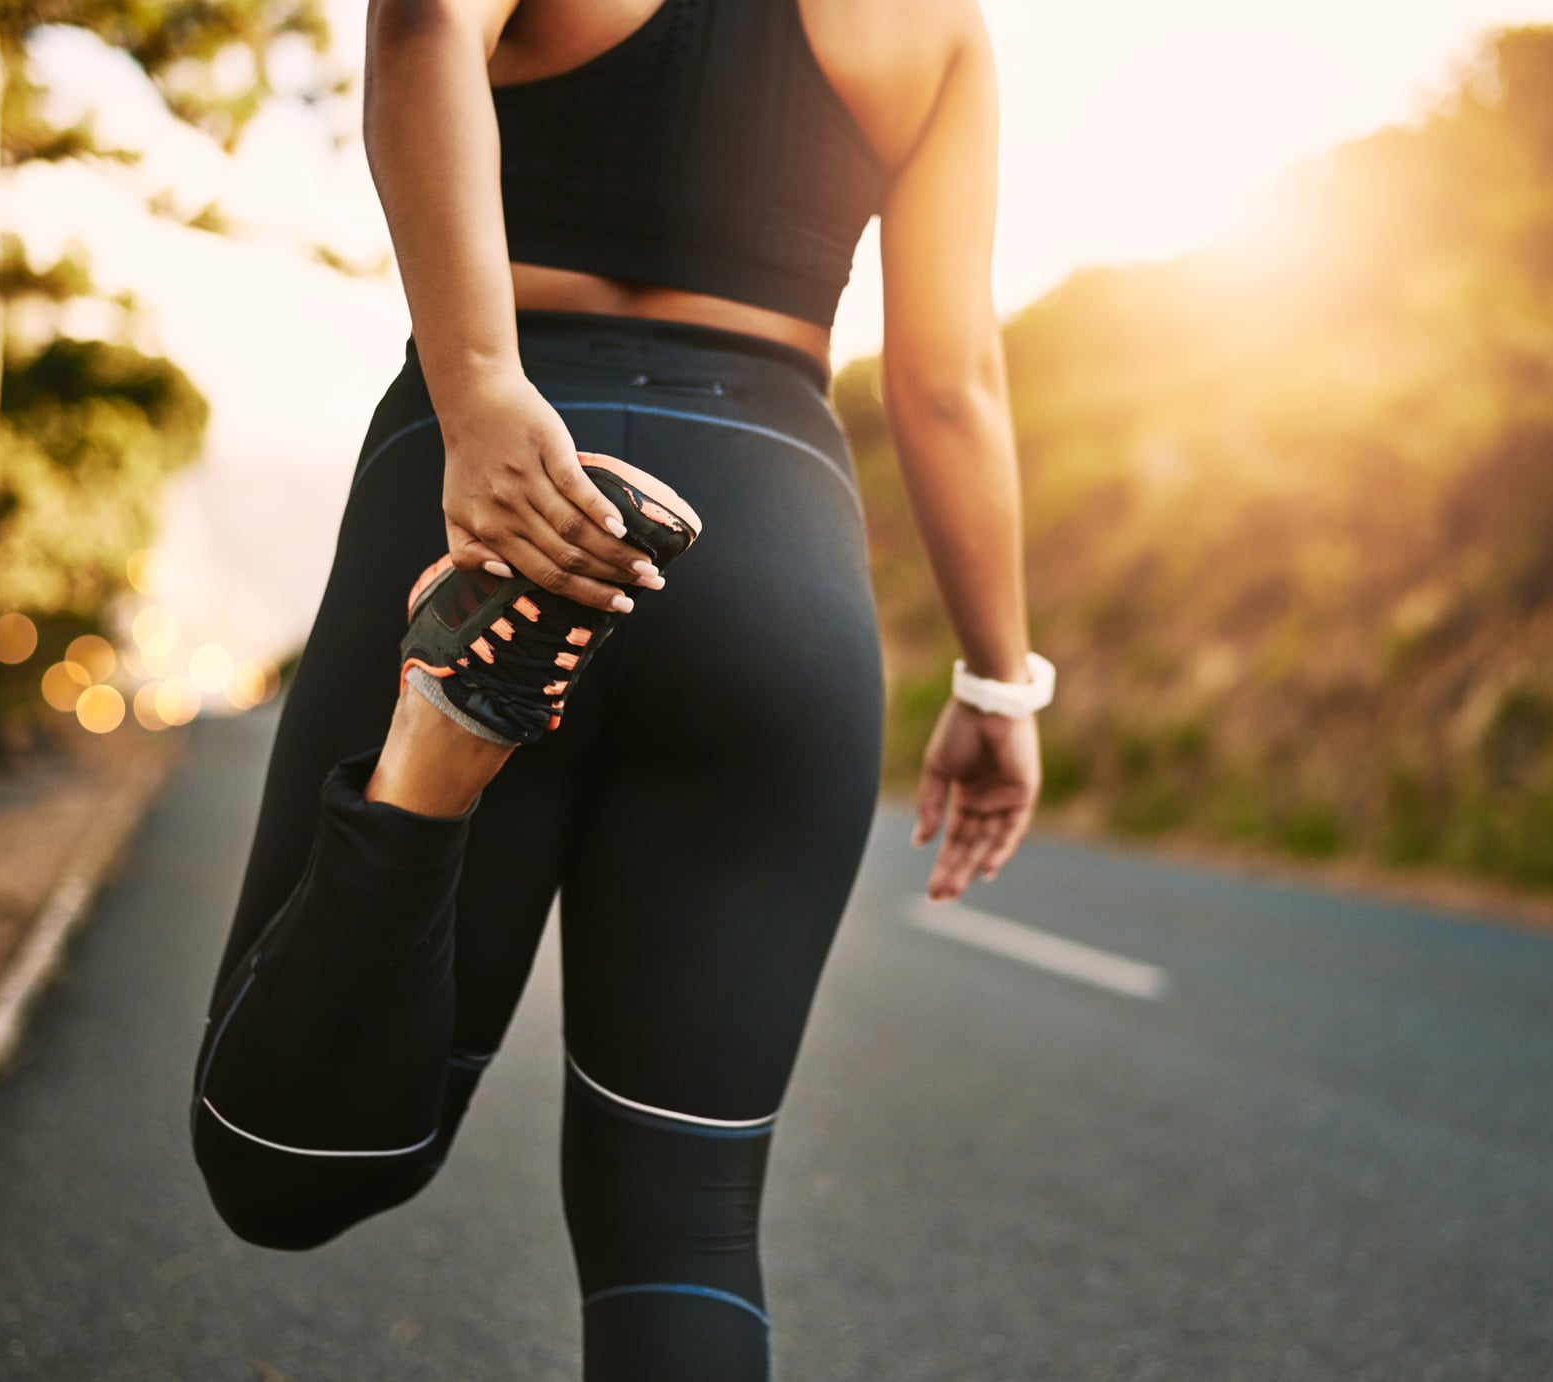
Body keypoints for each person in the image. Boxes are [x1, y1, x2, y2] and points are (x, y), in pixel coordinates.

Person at [187, 0, 1053, 1376]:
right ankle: (450, 735)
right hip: (771, 548)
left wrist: (479, 392)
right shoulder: (937, 25)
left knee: (286, 1165)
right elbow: (952, 384)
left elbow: (419, 32)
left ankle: (433, 760)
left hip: (492, 502)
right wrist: (1001, 685)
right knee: (681, 1224)